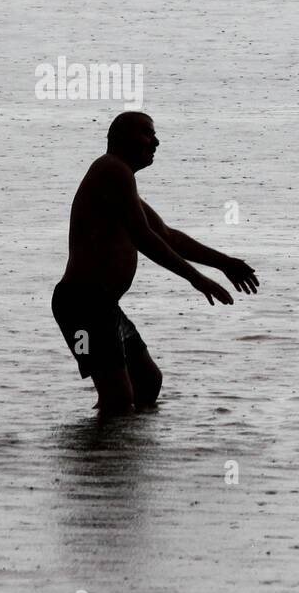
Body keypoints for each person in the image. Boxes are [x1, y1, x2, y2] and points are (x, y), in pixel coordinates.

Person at [51, 112, 259, 414]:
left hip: (102, 306)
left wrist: (224, 263)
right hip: (83, 305)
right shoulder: (111, 170)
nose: (156, 142)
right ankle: (93, 457)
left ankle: (122, 453)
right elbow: (144, 238)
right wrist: (195, 278)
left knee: (147, 382)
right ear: (121, 138)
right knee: (118, 398)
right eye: (148, 134)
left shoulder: (121, 182)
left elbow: (167, 236)